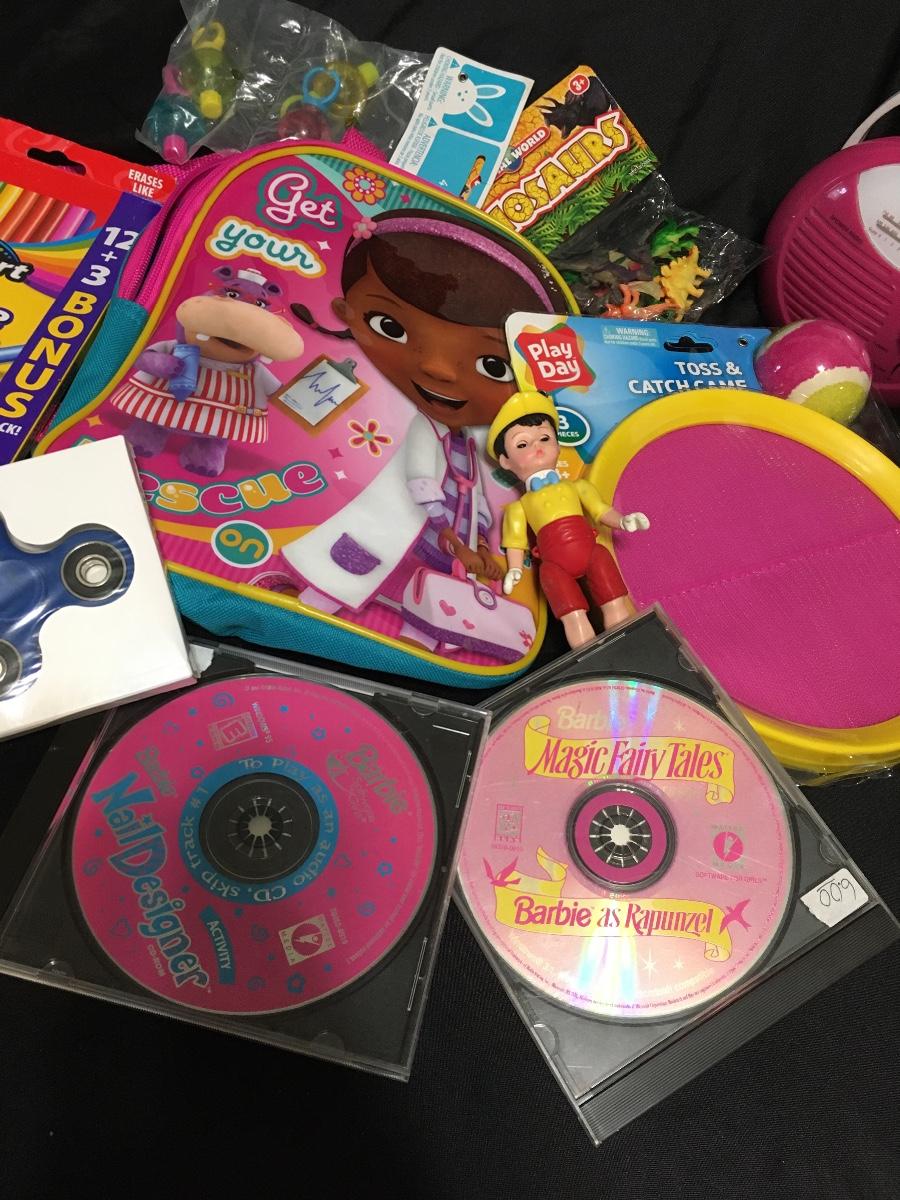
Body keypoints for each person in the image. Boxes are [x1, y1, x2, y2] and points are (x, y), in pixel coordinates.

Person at [280, 210, 569, 618]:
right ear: (345, 311)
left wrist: (480, 543)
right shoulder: (423, 427)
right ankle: (301, 606)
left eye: (493, 366)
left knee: (423, 602)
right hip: (410, 528)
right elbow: (419, 480)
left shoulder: (472, 444)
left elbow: (476, 499)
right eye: (389, 325)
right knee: (347, 576)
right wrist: (452, 535)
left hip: (444, 544)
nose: (438, 370)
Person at [487, 391, 650, 647]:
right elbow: (516, 542)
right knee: (573, 617)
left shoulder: (579, 487)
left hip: (591, 552)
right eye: (522, 444)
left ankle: (628, 647)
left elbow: (600, 510)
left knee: (615, 601)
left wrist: (623, 521)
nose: (537, 447)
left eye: (545, 438)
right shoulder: (519, 508)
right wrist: (515, 570)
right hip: (555, 566)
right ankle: (591, 658)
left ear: (558, 444)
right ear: (505, 461)